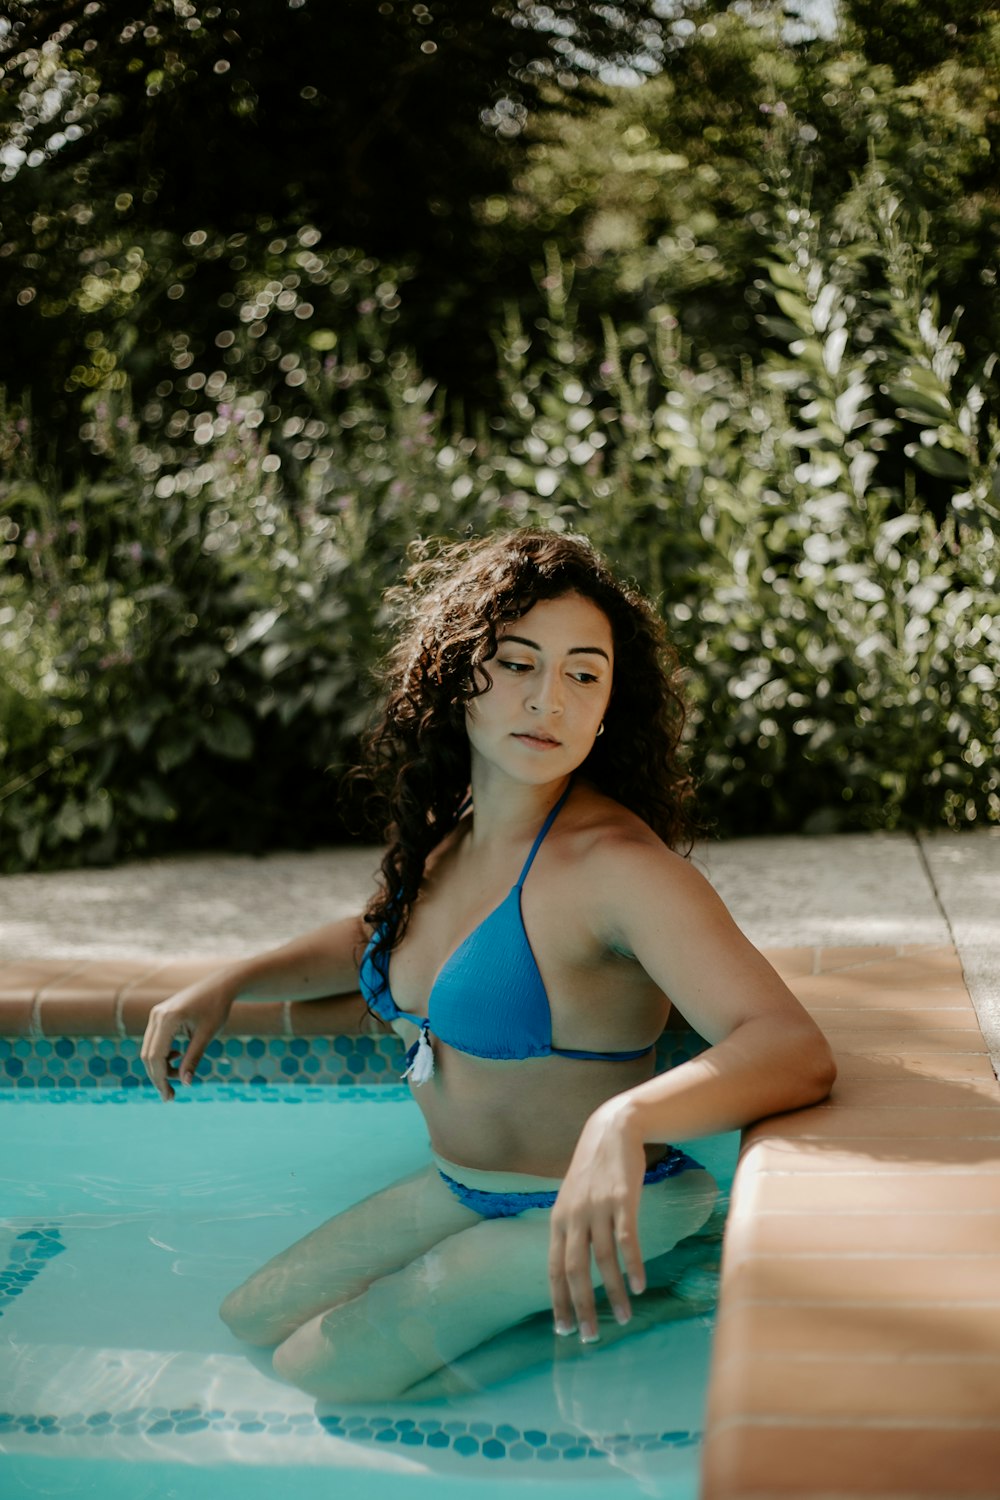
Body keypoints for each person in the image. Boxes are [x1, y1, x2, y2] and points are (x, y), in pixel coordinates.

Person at [141, 528, 835, 1404]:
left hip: (611, 1206)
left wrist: (623, 1121)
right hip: (465, 1188)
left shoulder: (617, 868)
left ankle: (667, 1290)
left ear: (610, 705)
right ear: (456, 674)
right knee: (253, 1319)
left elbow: (789, 1045)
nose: (549, 699)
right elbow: (378, 934)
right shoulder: (455, 834)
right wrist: (234, 981)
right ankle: (596, 1297)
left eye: (584, 674)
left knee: (326, 1375)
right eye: (517, 664)